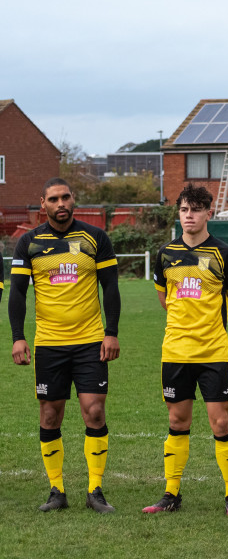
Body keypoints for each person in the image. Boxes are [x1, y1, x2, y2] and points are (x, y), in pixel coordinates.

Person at [8, 178, 121, 513]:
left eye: (66, 197)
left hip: (89, 342)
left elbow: (111, 287)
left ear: (74, 200)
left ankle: (95, 490)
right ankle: (56, 491)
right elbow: (16, 293)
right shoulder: (28, 243)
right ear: (42, 203)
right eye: (53, 199)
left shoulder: (95, 238)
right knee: (49, 415)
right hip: (49, 345)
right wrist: (18, 337)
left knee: (95, 411)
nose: (61, 204)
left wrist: (110, 331)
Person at [143, 184, 228, 517]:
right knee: (177, 419)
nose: (190, 216)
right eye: (185, 210)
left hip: (214, 351)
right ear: (179, 213)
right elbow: (165, 299)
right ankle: (171, 494)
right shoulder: (165, 254)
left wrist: (206, 321)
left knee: (220, 422)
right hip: (175, 351)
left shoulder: (224, 254)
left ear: (208, 213)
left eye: (196, 210)